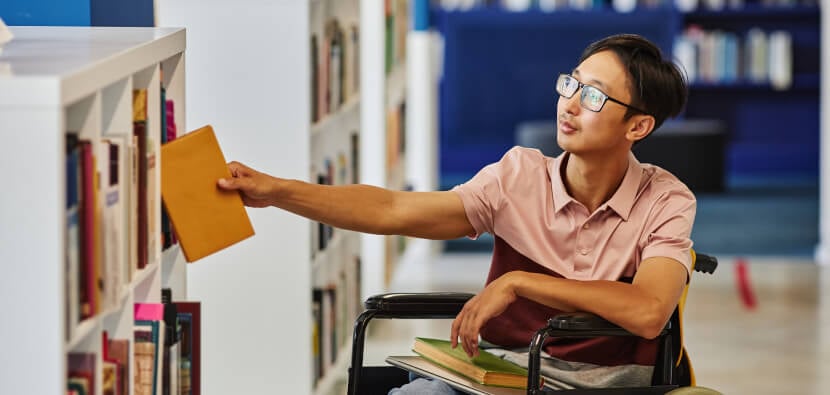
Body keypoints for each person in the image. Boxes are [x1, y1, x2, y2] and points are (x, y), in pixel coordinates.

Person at [217, 33, 692, 393]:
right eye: (572, 84)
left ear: (639, 125)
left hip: (607, 387)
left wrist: (518, 282)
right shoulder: (518, 176)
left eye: (593, 96)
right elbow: (392, 209)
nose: (569, 104)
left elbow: (649, 312)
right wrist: (279, 192)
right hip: (501, 376)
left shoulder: (665, 200)